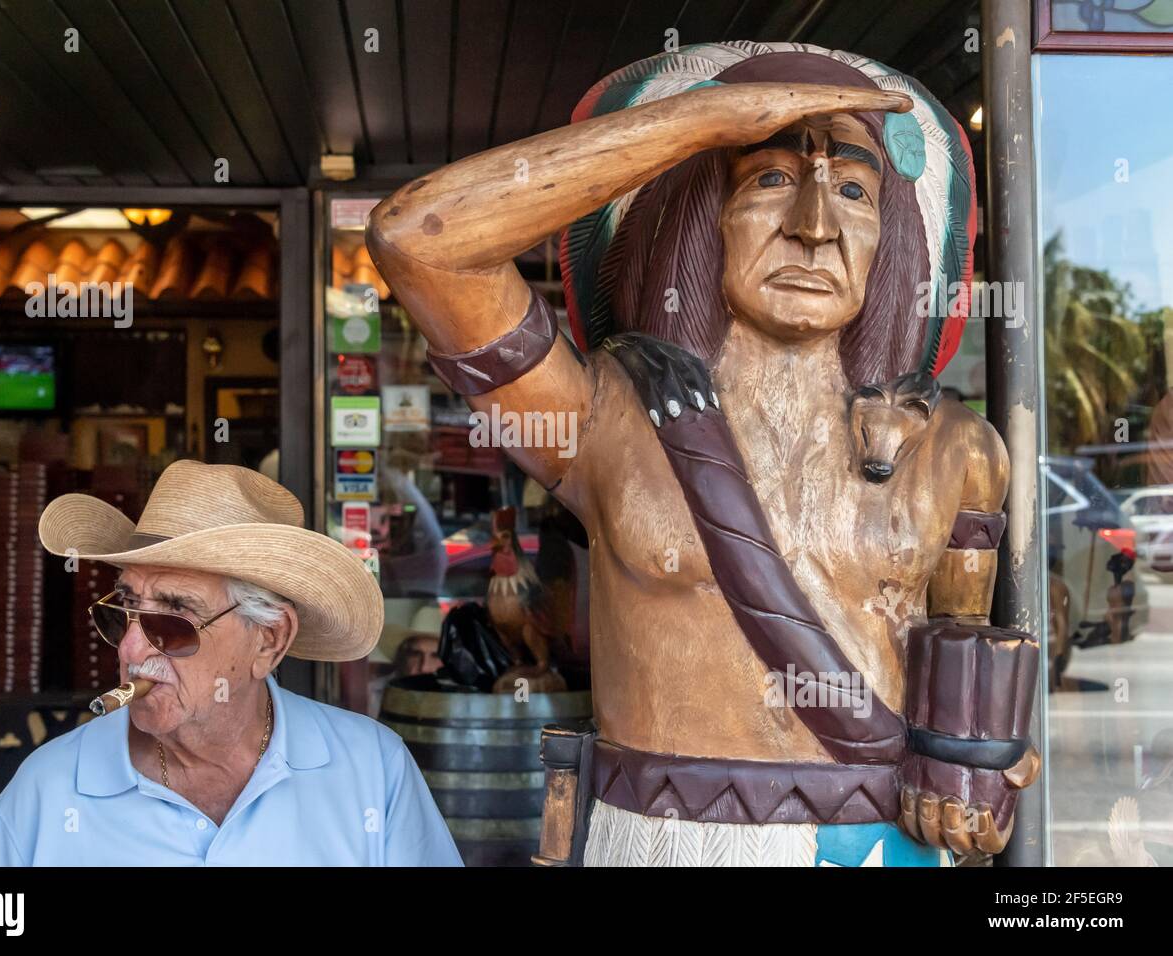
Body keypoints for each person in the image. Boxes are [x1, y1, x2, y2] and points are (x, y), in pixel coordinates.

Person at [368, 42, 1038, 866]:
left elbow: (965, 664)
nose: (814, 228)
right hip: (659, 839)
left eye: (855, 192)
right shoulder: (600, 415)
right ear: (697, 216)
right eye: (769, 181)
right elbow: (417, 240)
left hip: (882, 842)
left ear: (889, 239)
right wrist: (700, 124)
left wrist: (983, 760)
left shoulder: (958, 449)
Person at [0, 459, 461, 866]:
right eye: (123, 612)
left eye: (175, 620)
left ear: (269, 640)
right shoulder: (48, 789)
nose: (131, 650)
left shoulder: (372, 770)